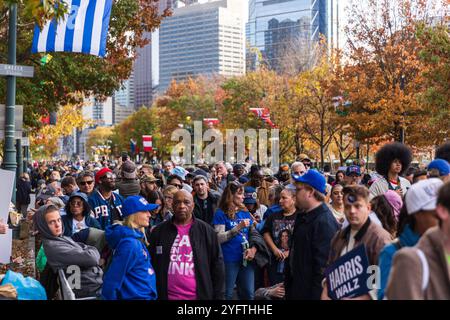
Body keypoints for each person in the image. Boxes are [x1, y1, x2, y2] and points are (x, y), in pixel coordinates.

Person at [149, 190, 225, 300]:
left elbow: (218, 267)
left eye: (186, 202)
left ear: (193, 205)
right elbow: (152, 265)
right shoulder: (159, 232)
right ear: (172, 205)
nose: (181, 206)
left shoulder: (206, 231)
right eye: (177, 202)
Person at [321, 185, 392, 300]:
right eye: (348, 207)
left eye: (357, 206)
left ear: (368, 208)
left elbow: (382, 281)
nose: (352, 211)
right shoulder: (339, 237)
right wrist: (325, 290)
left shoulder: (379, 239)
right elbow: (331, 270)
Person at [378, 178, 443, 299]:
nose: (442, 217)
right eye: (435, 214)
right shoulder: (391, 252)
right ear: (417, 214)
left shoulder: (444, 247)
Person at [284, 170, 340, 300]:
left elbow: (324, 271)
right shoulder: (304, 216)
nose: (294, 194)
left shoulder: (324, 223)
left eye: (298, 190)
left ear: (310, 192)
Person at [33, 205, 103, 298]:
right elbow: (92, 258)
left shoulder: (58, 239)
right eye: (51, 222)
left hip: (92, 282)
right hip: (93, 289)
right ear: (43, 226)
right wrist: (90, 249)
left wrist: (87, 249)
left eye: (58, 220)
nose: (58, 225)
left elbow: (85, 249)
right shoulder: (55, 247)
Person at [102, 196, 158, 300]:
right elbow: (112, 280)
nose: (149, 215)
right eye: (145, 211)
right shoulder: (129, 244)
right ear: (134, 214)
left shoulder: (135, 239)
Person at [213, 181, 258, 300]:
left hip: (246, 258)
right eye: (240, 193)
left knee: (249, 294)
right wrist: (237, 228)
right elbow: (218, 238)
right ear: (230, 195)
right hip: (229, 259)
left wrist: (253, 249)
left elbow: (254, 234)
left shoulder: (244, 211)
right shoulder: (220, 213)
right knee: (227, 294)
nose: (243, 196)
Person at [262, 185, 297, 285]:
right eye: (280, 198)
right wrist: (274, 249)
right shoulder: (273, 215)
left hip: (293, 263)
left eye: (284, 198)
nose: (280, 201)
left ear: (293, 199)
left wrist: (291, 252)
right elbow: (266, 232)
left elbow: (303, 239)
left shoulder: (300, 216)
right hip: (275, 261)